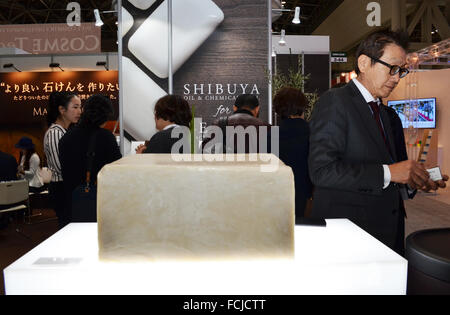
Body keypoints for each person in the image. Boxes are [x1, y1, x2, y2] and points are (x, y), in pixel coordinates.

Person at [308, 30, 447, 255]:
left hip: (387, 230)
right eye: (392, 68)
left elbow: (389, 169)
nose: (396, 78)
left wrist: (414, 179)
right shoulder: (335, 102)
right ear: (364, 63)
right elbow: (322, 170)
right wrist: (390, 173)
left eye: (401, 71)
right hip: (350, 234)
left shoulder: (385, 113)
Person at [59, 94, 121, 222]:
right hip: (98, 200)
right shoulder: (106, 137)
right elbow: (116, 170)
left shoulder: (66, 137)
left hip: (72, 200)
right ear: (104, 116)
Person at [44, 91, 82, 228]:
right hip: (62, 187)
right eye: (75, 107)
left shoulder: (64, 132)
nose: (79, 111)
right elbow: (60, 166)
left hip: (67, 185)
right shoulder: (55, 133)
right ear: (62, 110)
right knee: (67, 225)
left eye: (80, 107)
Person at [273, 87, 312, 220]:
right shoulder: (314, 133)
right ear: (303, 107)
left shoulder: (268, 136)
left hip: (275, 199)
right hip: (307, 199)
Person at [204, 94, 270, 154]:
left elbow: (204, 152)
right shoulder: (267, 127)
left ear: (234, 108)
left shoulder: (219, 124)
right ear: (257, 109)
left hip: (229, 166)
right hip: (257, 167)